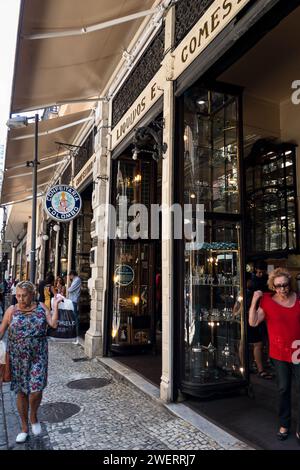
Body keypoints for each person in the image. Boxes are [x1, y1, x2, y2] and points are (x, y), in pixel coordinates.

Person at [0, 280, 62, 443]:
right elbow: (1, 332)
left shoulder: (41, 307)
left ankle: (33, 415)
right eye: (18, 295)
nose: (20, 299)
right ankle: (24, 427)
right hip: (17, 358)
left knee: (36, 390)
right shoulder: (11, 311)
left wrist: (56, 305)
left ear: (32, 295)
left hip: (38, 356)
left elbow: (53, 323)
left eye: (24, 296)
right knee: (21, 392)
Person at [249, 268, 300, 443]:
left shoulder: (299, 299)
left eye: (285, 285)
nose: (282, 289)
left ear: (290, 284)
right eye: (278, 286)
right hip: (279, 351)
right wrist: (254, 300)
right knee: (283, 388)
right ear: (273, 286)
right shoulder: (268, 302)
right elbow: (253, 322)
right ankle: (284, 424)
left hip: (298, 349)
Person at [67, 270, 81, 335]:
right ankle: (73, 331)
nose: (69, 277)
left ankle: (76, 332)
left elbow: (70, 289)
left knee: (75, 316)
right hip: (72, 300)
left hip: (74, 300)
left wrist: (68, 288)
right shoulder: (74, 280)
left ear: (72, 275)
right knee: (73, 316)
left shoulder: (77, 280)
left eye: (69, 276)